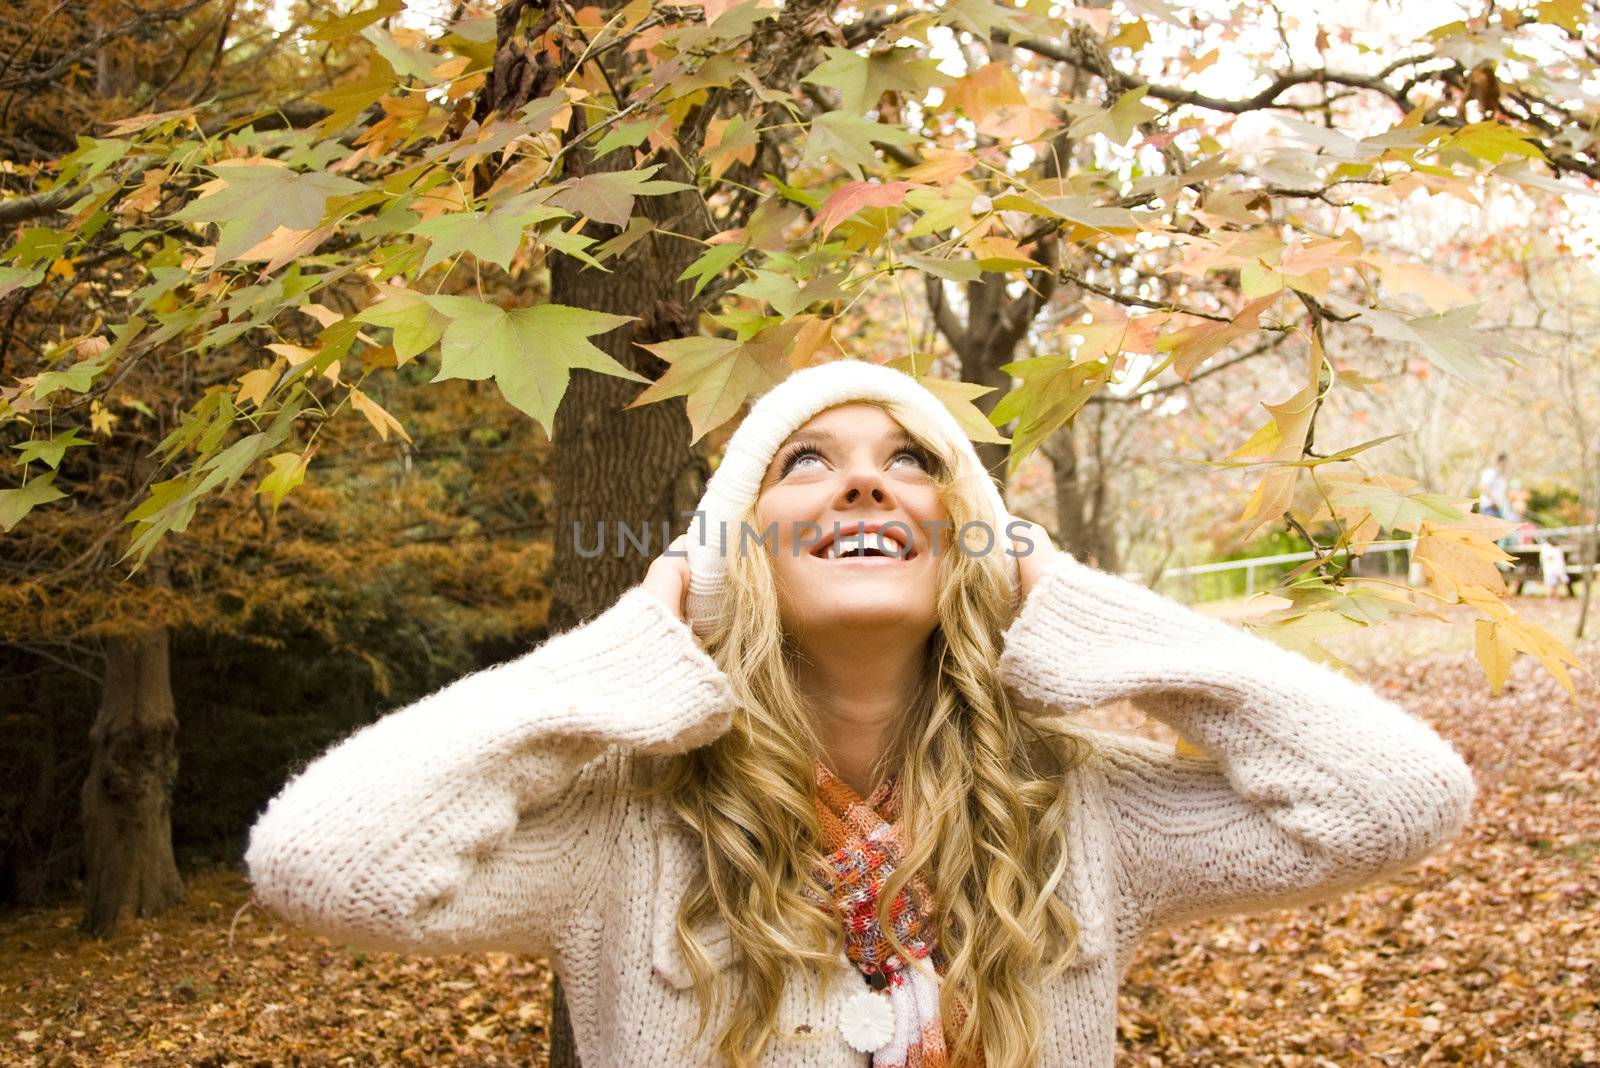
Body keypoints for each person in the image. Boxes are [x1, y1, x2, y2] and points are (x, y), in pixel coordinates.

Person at [244, 359, 1477, 1067]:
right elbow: (324, 863)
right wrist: (620, 666)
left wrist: (1086, 619)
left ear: (973, 543)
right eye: (805, 461)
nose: (866, 478)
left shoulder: (1081, 807)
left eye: (914, 460)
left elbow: (1398, 801)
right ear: (736, 555)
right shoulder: (621, 834)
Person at [1478, 452, 1510, 518]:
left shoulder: (1502, 476)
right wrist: (1494, 501)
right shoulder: (1490, 473)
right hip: (1488, 508)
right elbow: (1483, 487)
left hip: (1498, 509)